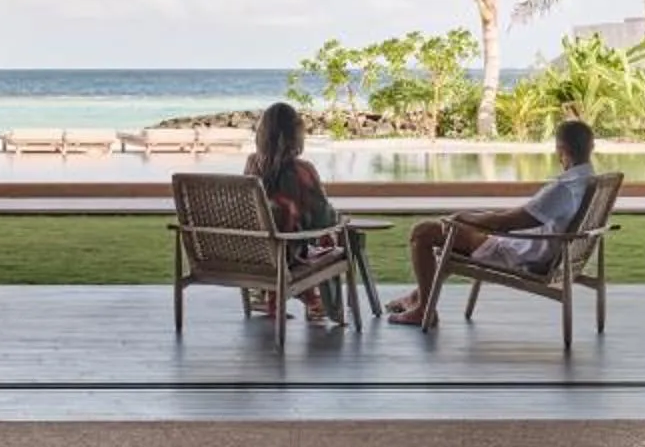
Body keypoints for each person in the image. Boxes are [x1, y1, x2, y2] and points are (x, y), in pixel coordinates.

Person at [387, 118, 599, 329]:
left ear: (560, 149)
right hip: (539, 249)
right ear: (591, 147)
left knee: (423, 232)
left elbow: (505, 224)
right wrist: (477, 217)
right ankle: (417, 297)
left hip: (518, 254)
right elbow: (512, 220)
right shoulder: (591, 182)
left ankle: (424, 309)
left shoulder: (564, 188)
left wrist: (465, 217)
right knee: (452, 242)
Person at [245, 101, 341, 323]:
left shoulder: (252, 165)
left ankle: (291, 297)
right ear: (296, 135)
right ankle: (324, 303)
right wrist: (338, 220)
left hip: (255, 254)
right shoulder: (302, 170)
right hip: (288, 258)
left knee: (286, 229)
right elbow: (322, 219)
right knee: (332, 236)